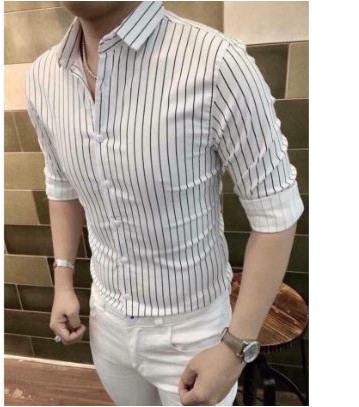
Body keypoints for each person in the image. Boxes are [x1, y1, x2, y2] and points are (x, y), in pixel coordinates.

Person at [24, 1, 304, 405]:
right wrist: (64, 280)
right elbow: (61, 184)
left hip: (194, 332)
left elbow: (276, 214)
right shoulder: (42, 77)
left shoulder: (216, 64)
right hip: (107, 320)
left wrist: (235, 348)